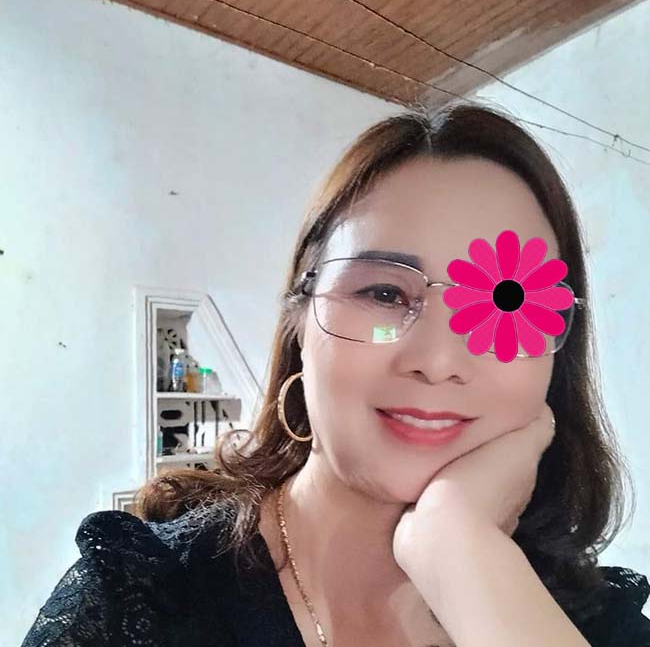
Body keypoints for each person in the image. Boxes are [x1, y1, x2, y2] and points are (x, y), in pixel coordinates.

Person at [21, 102, 650, 647]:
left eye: (505, 301)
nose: (437, 361)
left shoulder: (588, 624)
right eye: (383, 294)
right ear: (299, 320)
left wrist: (460, 553)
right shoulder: (137, 603)